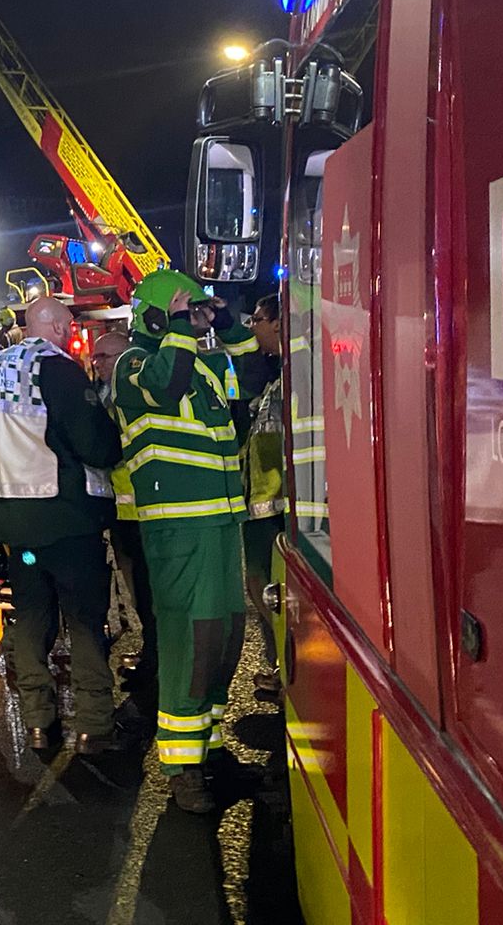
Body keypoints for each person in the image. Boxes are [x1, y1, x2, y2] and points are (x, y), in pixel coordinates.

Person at [110, 269, 258, 811]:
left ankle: (210, 749)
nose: (195, 321)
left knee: (224, 639)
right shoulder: (132, 365)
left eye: (197, 313)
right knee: (188, 644)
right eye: (183, 311)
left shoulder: (202, 362)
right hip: (177, 527)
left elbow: (252, 373)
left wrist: (226, 321)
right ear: (155, 316)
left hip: (220, 522)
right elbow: (166, 386)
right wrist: (178, 324)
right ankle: (182, 771)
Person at [0, 293, 122, 752]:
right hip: (66, 519)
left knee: (30, 619)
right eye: (67, 327)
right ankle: (94, 724)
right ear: (55, 327)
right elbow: (97, 447)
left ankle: (37, 722)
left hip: (14, 527)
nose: (70, 334)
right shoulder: (58, 370)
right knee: (84, 621)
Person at [93, 327, 157, 730]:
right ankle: (151, 657)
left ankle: (155, 667)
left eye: (105, 357)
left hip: (140, 509)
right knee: (136, 590)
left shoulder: (127, 394)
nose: (97, 364)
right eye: (96, 358)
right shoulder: (104, 392)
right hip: (121, 509)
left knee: (149, 593)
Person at [239, 295, 287, 703]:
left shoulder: (294, 378)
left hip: (278, 508)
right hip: (261, 505)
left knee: (274, 593)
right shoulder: (274, 376)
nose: (252, 327)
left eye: (257, 320)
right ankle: (278, 665)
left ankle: (285, 669)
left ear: (277, 323)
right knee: (261, 590)